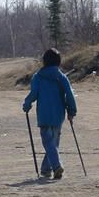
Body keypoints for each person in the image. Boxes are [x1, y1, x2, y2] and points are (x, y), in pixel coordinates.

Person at [23, 48, 77, 179]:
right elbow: (69, 94)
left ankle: (56, 166)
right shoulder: (61, 77)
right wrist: (71, 111)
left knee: (48, 143)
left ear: (44, 62)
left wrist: (27, 104)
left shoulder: (38, 77)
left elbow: (34, 94)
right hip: (58, 115)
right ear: (58, 62)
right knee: (53, 143)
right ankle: (46, 169)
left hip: (44, 115)